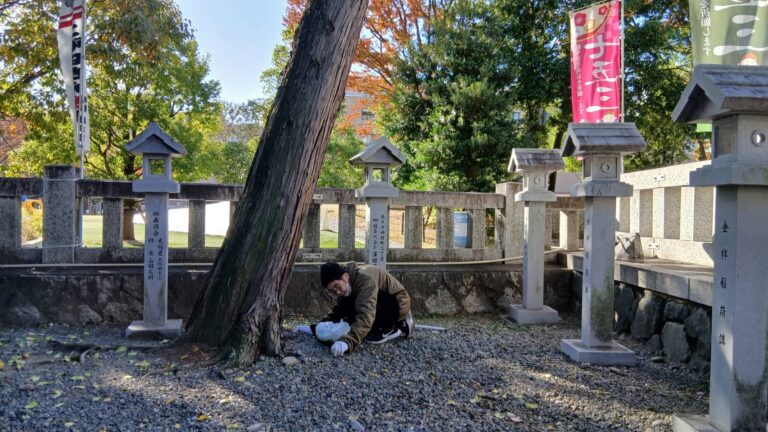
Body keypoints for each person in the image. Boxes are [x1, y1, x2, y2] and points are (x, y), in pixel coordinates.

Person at [294, 261, 414, 357]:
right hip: (375, 302)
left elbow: (366, 314)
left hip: (396, 304)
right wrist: (316, 328)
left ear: (345, 277)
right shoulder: (348, 283)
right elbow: (339, 310)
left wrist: (348, 342)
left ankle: (393, 326)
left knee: (363, 322)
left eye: (337, 286)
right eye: (332, 290)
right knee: (349, 310)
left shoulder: (365, 280)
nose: (336, 291)